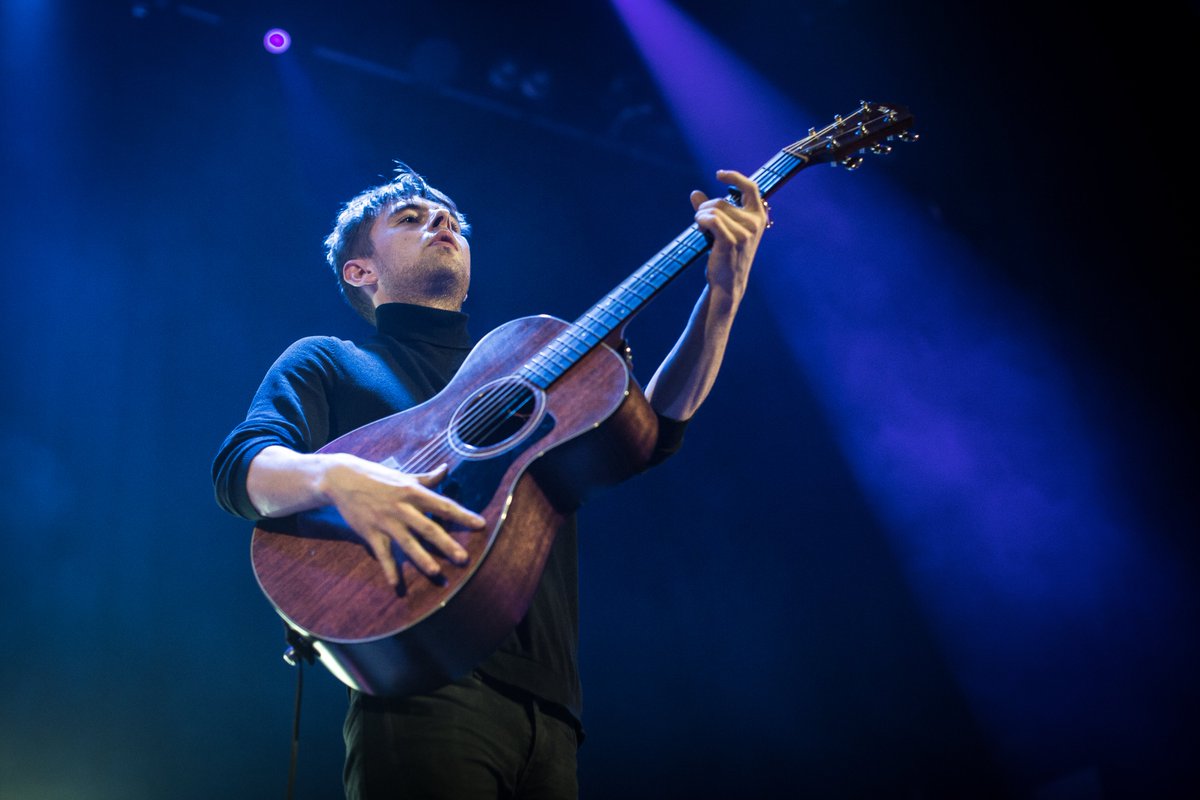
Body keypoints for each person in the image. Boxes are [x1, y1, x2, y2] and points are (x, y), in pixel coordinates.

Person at [212, 163, 767, 799]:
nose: (441, 220)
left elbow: (651, 432)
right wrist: (340, 479)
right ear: (360, 271)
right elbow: (241, 468)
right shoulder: (331, 361)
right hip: (420, 686)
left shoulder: (522, 358)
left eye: (450, 217)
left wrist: (723, 294)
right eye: (411, 218)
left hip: (554, 710)